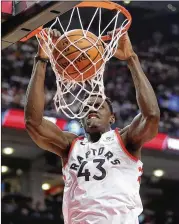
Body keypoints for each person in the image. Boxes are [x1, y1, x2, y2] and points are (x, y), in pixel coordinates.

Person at [25, 29, 160, 224]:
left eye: (99, 106)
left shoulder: (125, 140)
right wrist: (41, 59)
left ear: (112, 118)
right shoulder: (70, 145)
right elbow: (33, 123)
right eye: (86, 107)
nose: (92, 109)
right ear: (80, 120)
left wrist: (131, 58)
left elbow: (152, 116)